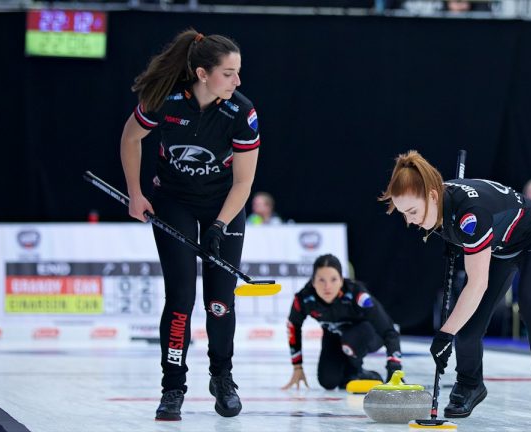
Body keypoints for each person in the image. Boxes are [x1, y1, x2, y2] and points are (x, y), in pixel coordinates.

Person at [378, 150, 531, 426]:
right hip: (501, 247)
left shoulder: (470, 216)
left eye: (412, 211)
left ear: (433, 196)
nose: (410, 221)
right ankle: (470, 384)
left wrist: (444, 334)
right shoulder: (440, 207)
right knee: (470, 320)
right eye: (403, 214)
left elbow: (478, 284)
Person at [120, 29, 261, 421]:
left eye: (238, 72)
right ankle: (172, 387)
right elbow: (131, 139)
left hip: (223, 206)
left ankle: (222, 376)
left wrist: (218, 225)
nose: (237, 81)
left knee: (219, 302)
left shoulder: (242, 112)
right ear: (202, 74)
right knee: (180, 298)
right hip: (174, 201)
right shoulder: (165, 100)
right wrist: (135, 193)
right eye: (229, 73)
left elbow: (244, 183)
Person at [282, 254, 403, 390]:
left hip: (368, 334)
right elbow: (293, 327)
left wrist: (394, 369)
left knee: (350, 341)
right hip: (334, 337)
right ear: (313, 282)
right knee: (328, 382)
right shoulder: (304, 299)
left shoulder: (358, 296)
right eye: (321, 280)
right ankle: (359, 374)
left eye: (333, 280)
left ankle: (356, 371)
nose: (327, 286)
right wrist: (297, 367)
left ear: (341, 280)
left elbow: (389, 330)